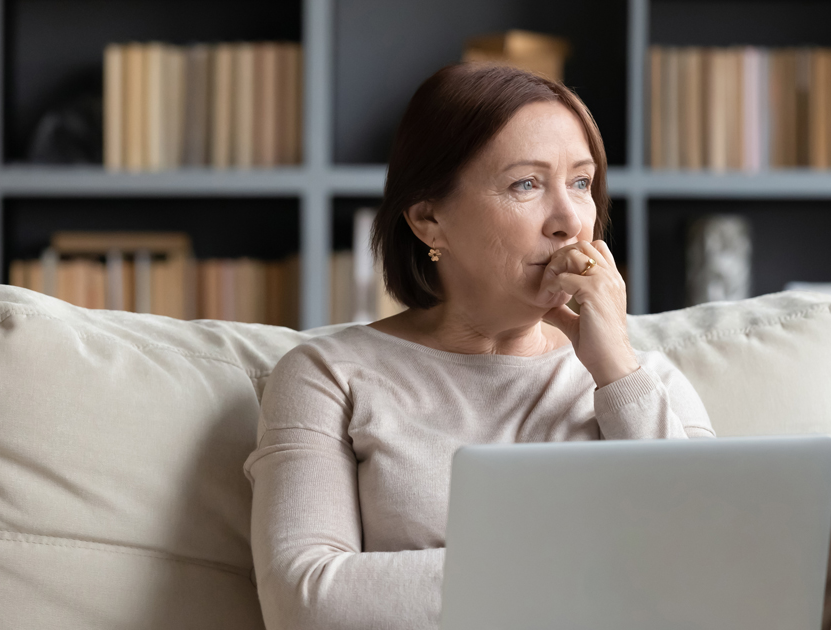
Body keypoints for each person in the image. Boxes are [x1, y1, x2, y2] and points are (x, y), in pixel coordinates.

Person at [242, 62, 715, 630]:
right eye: (527, 184)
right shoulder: (326, 375)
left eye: (582, 183)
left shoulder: (643, 380)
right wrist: (604, 576)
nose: (570, 221)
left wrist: (616, 371)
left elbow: (707, 577)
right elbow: (306, 599)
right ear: (427, 218)